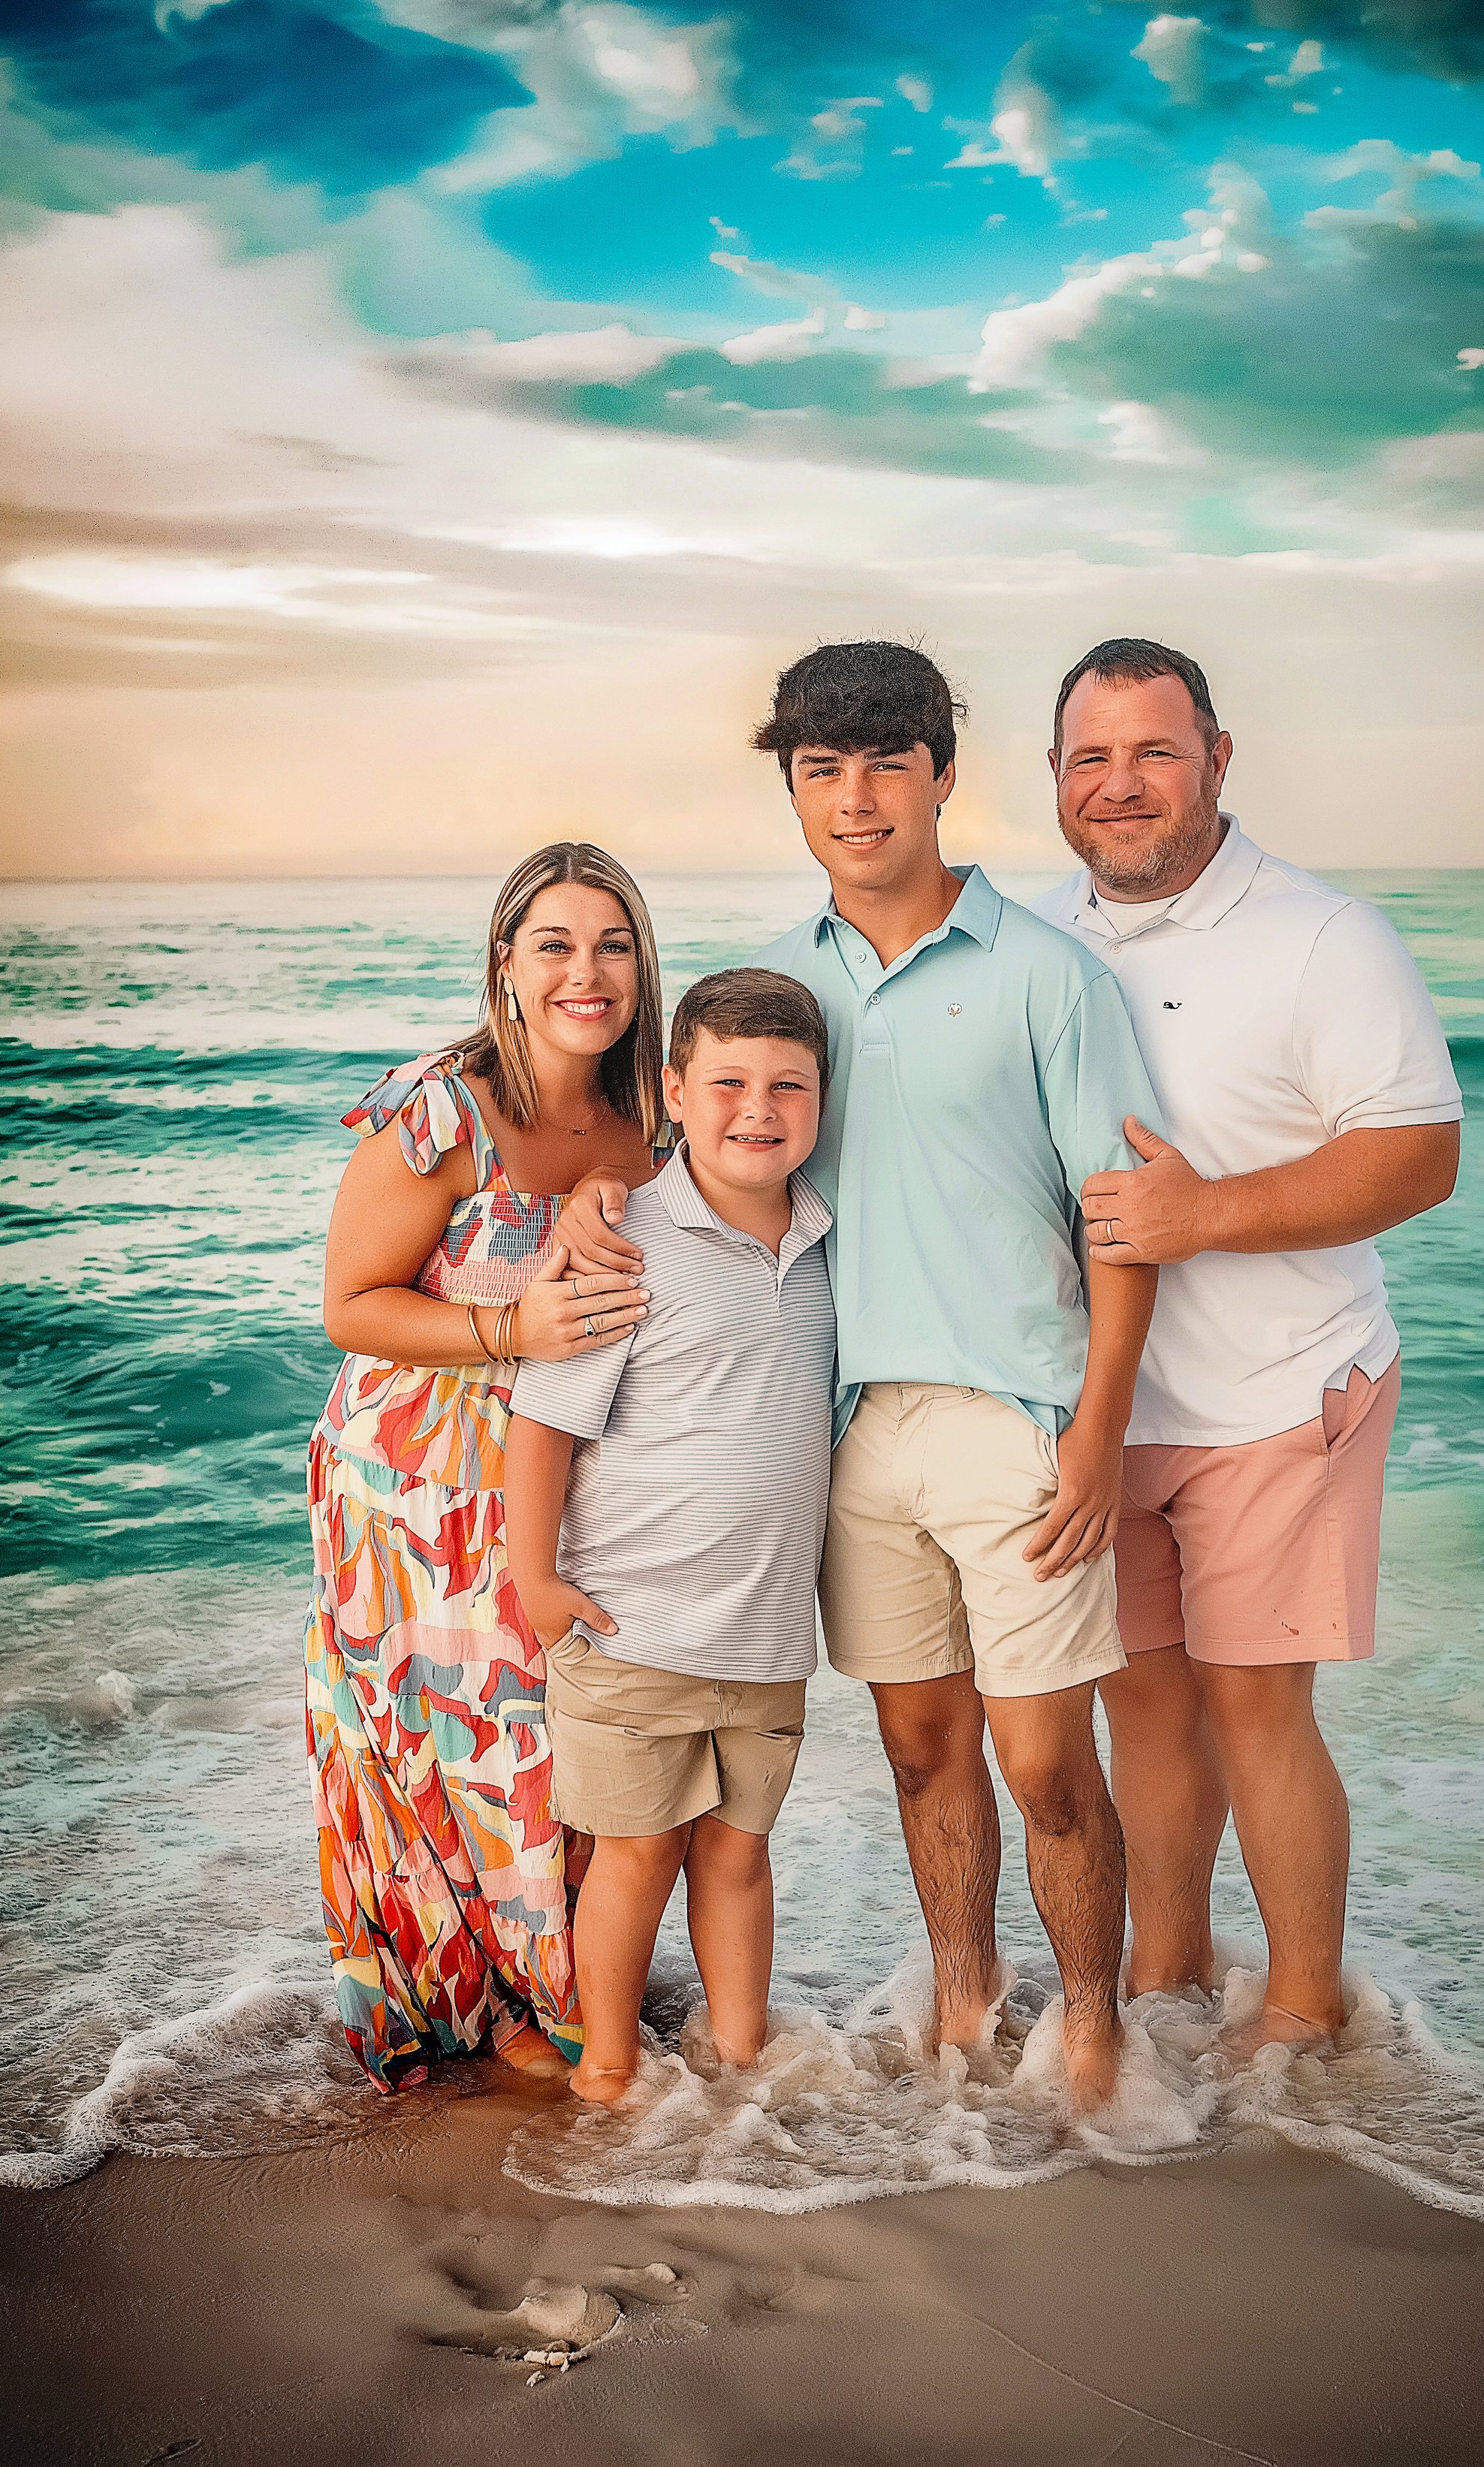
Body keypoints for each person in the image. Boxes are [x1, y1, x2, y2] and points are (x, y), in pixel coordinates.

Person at [563, 643, 1161, 2110]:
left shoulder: (1048, 975)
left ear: (942, 775)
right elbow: (714, 1136)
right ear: (791, 787)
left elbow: (1123, 1215)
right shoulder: (787, 982)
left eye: (885, 762)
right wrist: (597, 1193)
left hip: (1016, 1421)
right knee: (915, 1745)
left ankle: (1091, 2030)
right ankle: (964, 2000)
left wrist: (1096, 1425)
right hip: (849, 1430)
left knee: (1042, 1761)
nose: (854, 797)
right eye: (820, 769)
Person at [1031, 638, 1462, 2057]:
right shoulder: (1043, 941)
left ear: (1219, 758)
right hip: (1108, 1406)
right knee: (1145, 1706)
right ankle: (1164, 1978)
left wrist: (1205, 1214)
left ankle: (1302, 2010)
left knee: (1257, 1706)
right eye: (1091, 757)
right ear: (1054, 781)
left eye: (1155, 750)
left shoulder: (1325, 936)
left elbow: (1418, 1156)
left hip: (1282, 1388)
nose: (1123, 785)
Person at [304, 841, 664, 2092]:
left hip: (573, 1475)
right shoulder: (444, 1109)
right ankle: (483, 2000)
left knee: (563, 1738)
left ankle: (560, 1979)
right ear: (505, 964)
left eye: (612, 944)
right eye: (555, 945)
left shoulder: (660, 1116)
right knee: (452, 1744)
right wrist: (513, 1331)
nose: (587, 971)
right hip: (411, 1487)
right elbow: (352, 1303)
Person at [505, 969, 836, 2107]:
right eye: (729, 1083)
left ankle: (740, 2060)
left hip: (765, 1634)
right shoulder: (625, 1241)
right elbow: (545, 1419)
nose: (759, 1109)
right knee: (637, 1855)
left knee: (739, 1854)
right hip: (631, 1620)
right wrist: (534, 1575)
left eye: (789, 1085)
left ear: (823, 1102)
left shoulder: (834, 1242)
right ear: (673, 1093)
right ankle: (607, 2065)